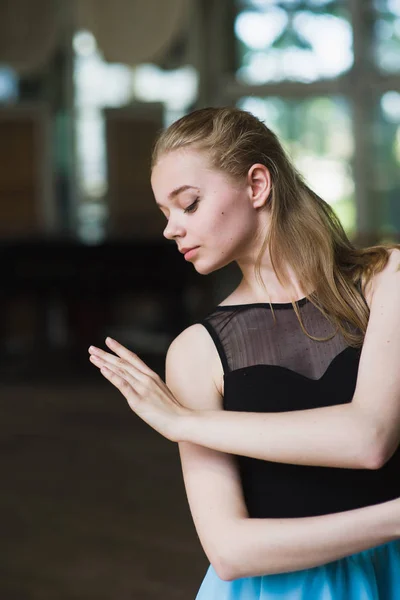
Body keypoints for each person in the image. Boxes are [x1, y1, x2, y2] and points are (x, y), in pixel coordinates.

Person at [88, 107, 400, 599]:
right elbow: (230, 551)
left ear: (257, 185)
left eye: (187, 204)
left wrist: (184, 422)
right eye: (164, 214)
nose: (171, 229)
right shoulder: (195, 352)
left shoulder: (387, 281)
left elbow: (369, 439)